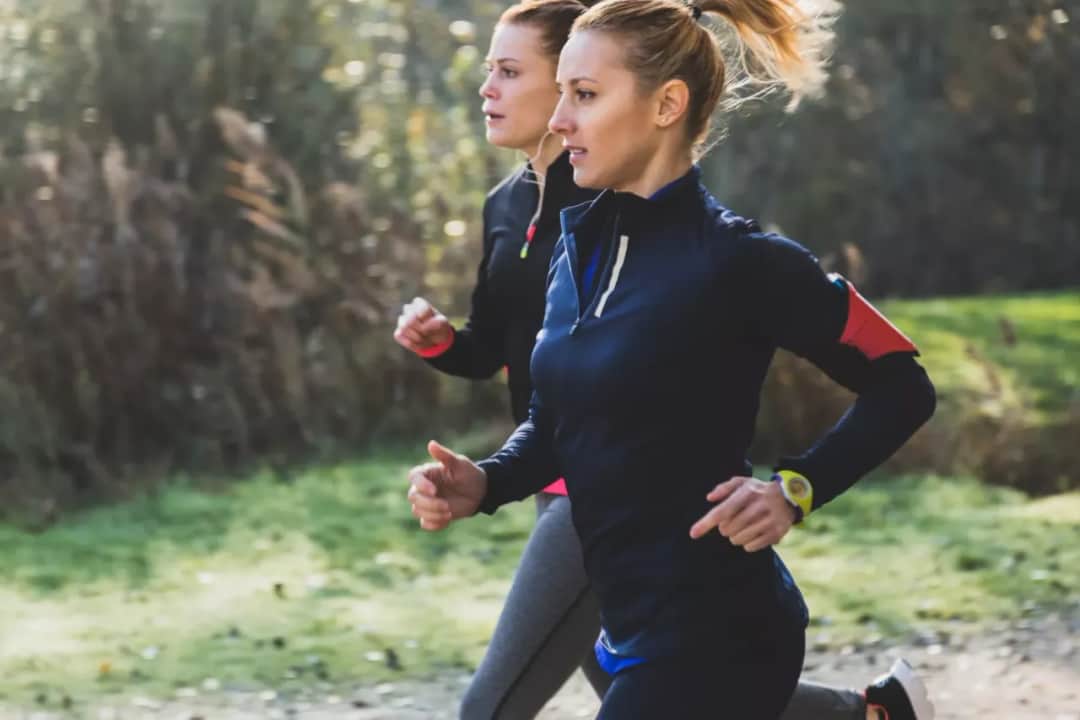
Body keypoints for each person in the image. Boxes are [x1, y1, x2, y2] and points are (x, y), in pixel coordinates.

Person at [398, 1, 935, 718]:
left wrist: (796, 489)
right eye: (561, 93)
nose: (560, 119)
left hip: (724, 634)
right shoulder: (574, 251)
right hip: (631, 633)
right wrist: (487, 482)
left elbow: (903, 384)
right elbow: (557, 422)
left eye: (584, 95)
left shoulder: (741, 261)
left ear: (666, 105)